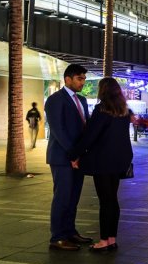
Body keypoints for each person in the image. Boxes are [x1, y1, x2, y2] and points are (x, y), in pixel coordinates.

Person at [69, 77, 133, 253]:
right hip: (120, 160)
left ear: (102, 91)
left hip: (103, 161)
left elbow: (90, 136)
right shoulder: (123, 111)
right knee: (112, 199)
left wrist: (74, 154)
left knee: (105, 201)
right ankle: (112, 239)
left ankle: (104, 241)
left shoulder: (102, 110)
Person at [44, 64, 92, 251]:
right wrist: (73, 154)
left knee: (73, 198)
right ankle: (57, 236)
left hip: (77, 157)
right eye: (79, 78)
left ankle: (70, 232)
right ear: (68, 79)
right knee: (62, 197)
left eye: (84, 79)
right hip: (62, 157)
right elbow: (58, 130)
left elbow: (84, 127)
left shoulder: (82, 100)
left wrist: (81, 153)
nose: (82, 82)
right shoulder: (56, 100)